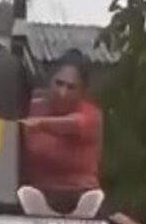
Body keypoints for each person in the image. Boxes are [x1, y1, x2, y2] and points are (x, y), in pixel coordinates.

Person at [19, 49, 103, 214]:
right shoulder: (32, 107)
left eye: (71, 87)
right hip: (39, 195)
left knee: (93, 201)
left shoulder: (92, 114)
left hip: (81, 195)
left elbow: (75, 124)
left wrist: (41, 124)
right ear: (50, 81)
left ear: (83, 91)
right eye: (59, 83)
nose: (62, 93)